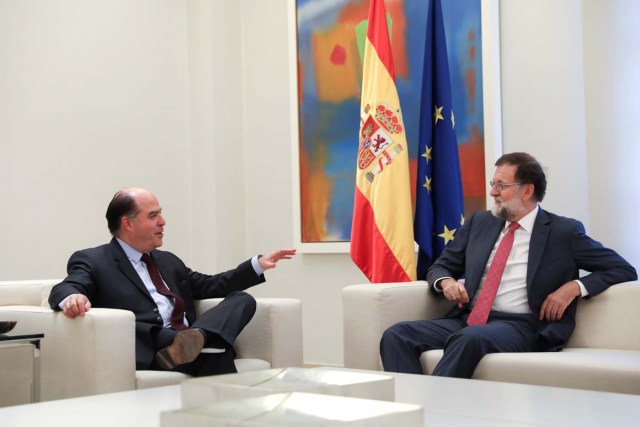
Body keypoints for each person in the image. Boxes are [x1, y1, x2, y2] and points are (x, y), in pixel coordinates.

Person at [380, 152, 637, 378]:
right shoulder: (479, 223)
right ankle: (410, 408)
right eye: (493, 183)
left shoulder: (562, 232)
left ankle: (430, 411)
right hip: (468, 319)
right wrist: (446, 282)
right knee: (397, 334)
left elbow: (623, 269)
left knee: (469, 339)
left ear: (527, 190)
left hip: (522, 325)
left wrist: (572, 287)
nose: (492, 192)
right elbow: (440, 266)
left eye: (501, 186)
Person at [49, 187, 296, 377]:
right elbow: (67, 286)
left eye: (161, 213)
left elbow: (211, 285)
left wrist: (257, 265)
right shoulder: (95, 260)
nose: (163, 221)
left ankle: (196, 339)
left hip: (184, 336)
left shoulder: (168, 261)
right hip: (155, 344)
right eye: (153, 215)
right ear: (128, 222)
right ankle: (199, 346)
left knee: (242, 300)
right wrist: (72, 297)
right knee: (216, 352)